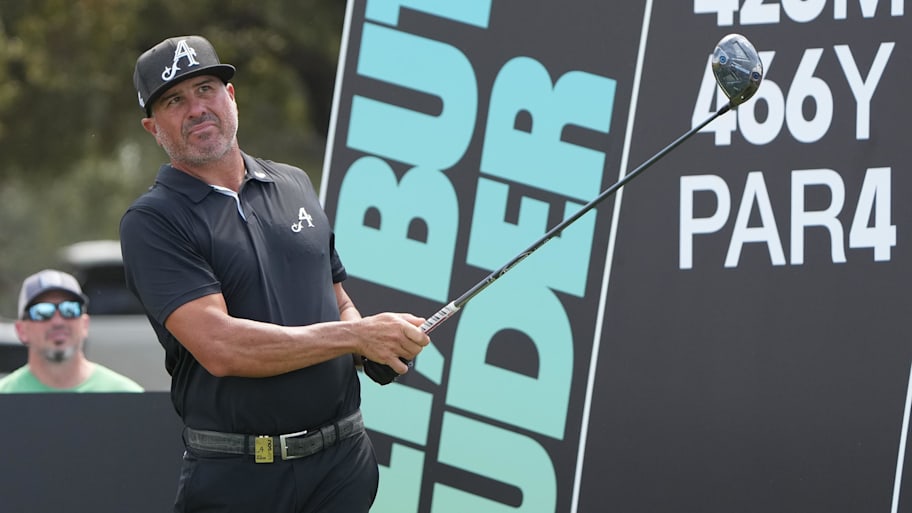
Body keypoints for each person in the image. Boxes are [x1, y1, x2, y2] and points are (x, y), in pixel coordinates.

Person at [120, 35, 430, 512]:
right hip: (240, 477)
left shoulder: (294, 183)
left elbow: (336, 297)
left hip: (342, 465)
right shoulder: (153, 220)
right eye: (174, 100)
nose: (197, 108)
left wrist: (373, 346)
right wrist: (356, 338)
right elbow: (220, 346)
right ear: (152, 126)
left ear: (231, 97)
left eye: (206, 89)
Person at [0, 269, 144, 393]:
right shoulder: (5, 398)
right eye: (42, 312)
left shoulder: (126, 396)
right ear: (21, 330)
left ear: (85, 324)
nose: (58, 321)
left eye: (70, 309)